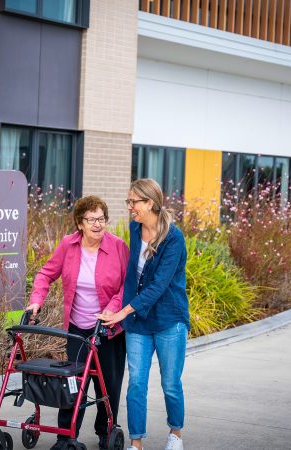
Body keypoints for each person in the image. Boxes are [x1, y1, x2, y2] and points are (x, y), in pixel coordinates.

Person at [26, 195, 130, 450]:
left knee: (108, 383)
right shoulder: (68, 245)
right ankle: (66, 434)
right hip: (77, 330)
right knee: (73, 382)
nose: (98, 224)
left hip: (109, 328)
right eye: (92, 219)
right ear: (80, 223)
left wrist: (112, 309)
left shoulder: (118, 247)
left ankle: (105, 430)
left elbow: (128, 286)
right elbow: (46, 274)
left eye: (102, 218)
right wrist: (35, 300)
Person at [98, 179, 190, 450]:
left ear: (149, 203)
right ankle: (136, 442)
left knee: (170, 383)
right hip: (138, 322)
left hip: (168, 320)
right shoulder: (135, 228)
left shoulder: (173, 238)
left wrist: (122, 312)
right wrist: (120, 309)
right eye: (128, 202)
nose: (129, 208)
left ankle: (175, 434)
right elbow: (131, 278)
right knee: (136, 383)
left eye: (133, 202)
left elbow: (159, 286)